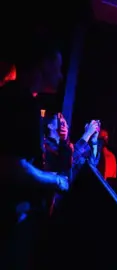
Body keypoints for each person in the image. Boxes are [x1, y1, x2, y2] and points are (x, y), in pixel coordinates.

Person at [0, 35, 69, 269]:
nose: (60, 76)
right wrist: (54, 180)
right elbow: (11, 164)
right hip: (9, 220)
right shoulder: (19, 102)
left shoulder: (14, 97)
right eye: (58, 68)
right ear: (44, 64)